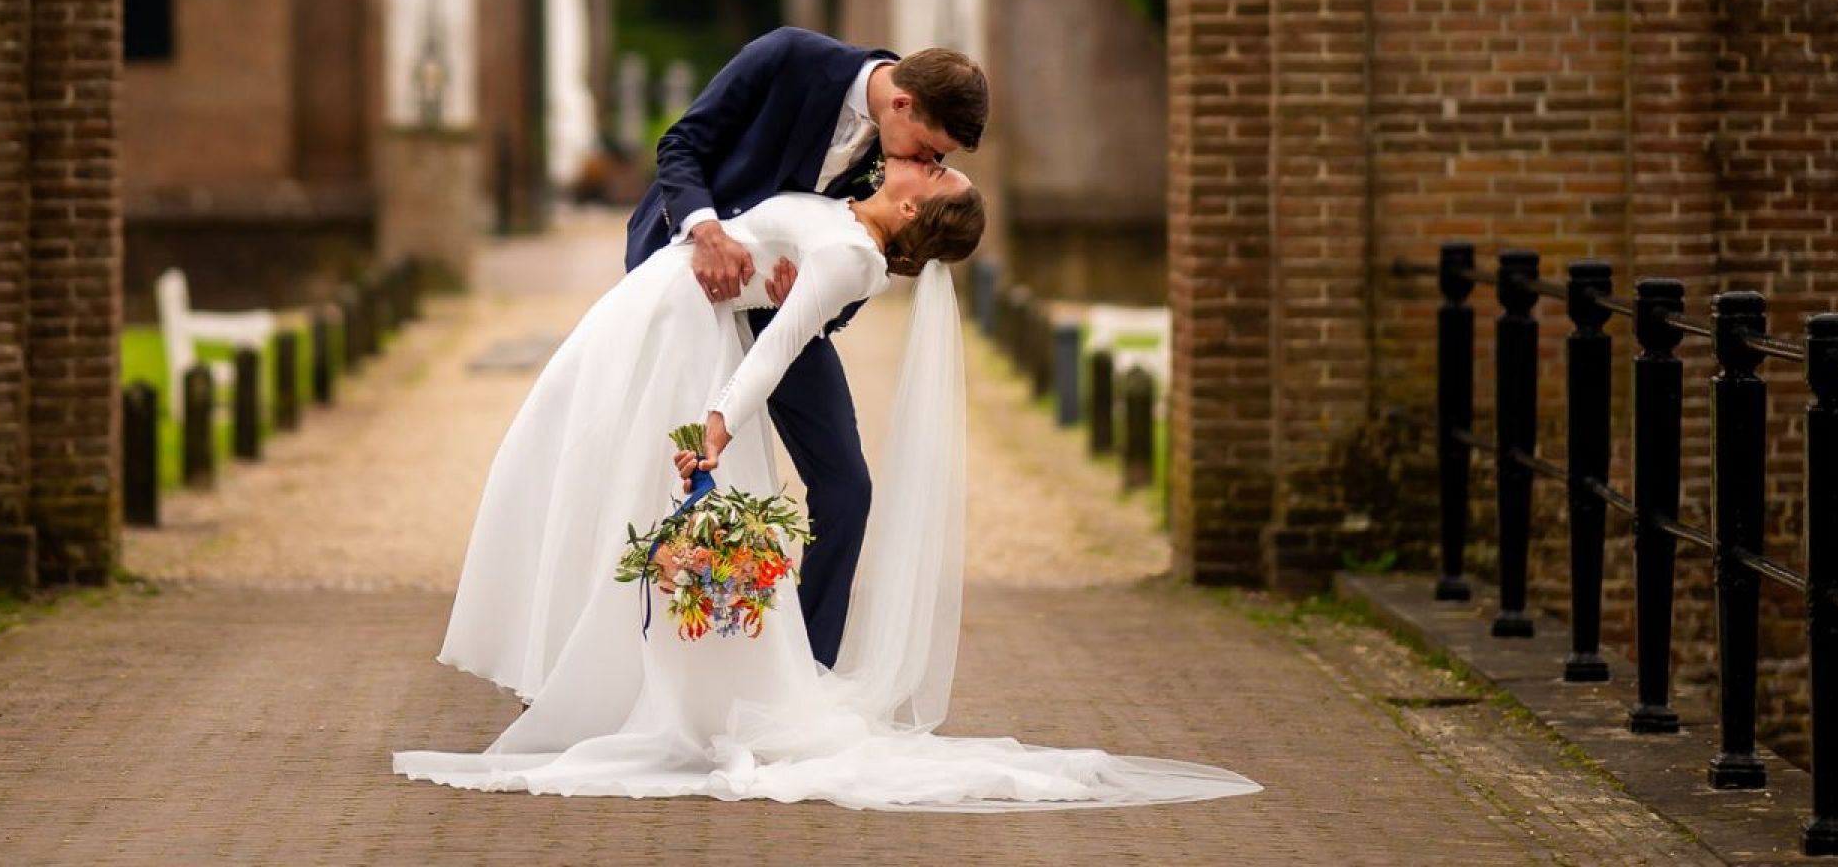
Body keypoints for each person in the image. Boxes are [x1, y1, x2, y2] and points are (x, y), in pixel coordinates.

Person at [393, 163, 1261, 811]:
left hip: (691, 340)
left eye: (927, 167)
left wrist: (716, 428)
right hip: (658, 310)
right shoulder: (844, 212)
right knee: (570, 468)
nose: (909, 159)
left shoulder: (850, 257)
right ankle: (600, 677)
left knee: (629, 496)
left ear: (914, 205)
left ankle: (631, 689)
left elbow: (776, 350)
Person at [624, 28, 985, 667]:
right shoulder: (788, 57)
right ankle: (616, 663)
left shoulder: (903, 170)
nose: (929, 166)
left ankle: (806, 674)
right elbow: (681, 145)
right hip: (688, 275)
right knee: (648, 471)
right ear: (901, 104)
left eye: (936, 162)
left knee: (847, 489)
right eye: (930, 150)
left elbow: (873, 253)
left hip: (783, 316)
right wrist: (706, 232)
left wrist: (810, 294)